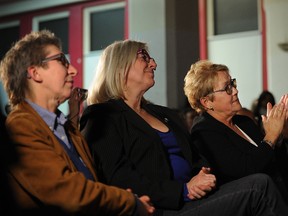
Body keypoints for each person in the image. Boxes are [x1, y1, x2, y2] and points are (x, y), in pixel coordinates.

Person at [79, 39, 288, 215]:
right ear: (120, 66)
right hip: (159, 207)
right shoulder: (102, 116)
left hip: (191, 199)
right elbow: (117, 178)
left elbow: (196, 159)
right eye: (144, 57)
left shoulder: (163, 114)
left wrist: (201, 174)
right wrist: (183, 190)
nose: (153, 63)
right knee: (258, 187)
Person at [0, 30, 154, 216]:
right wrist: (129, 202)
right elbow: (66, 192)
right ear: (35, 73)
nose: (73, 70)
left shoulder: (66, 129)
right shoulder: (20, 126)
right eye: (62, 61)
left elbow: (93, 184)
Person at [183, 59, 288, 202]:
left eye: (232, 83)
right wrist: (271, 136)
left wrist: (282, 133)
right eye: (227, 88)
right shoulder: (203, 131)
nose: (235, 91)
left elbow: (273, 162)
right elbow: (246, 170)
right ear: (207, 102)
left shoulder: (243, 122)